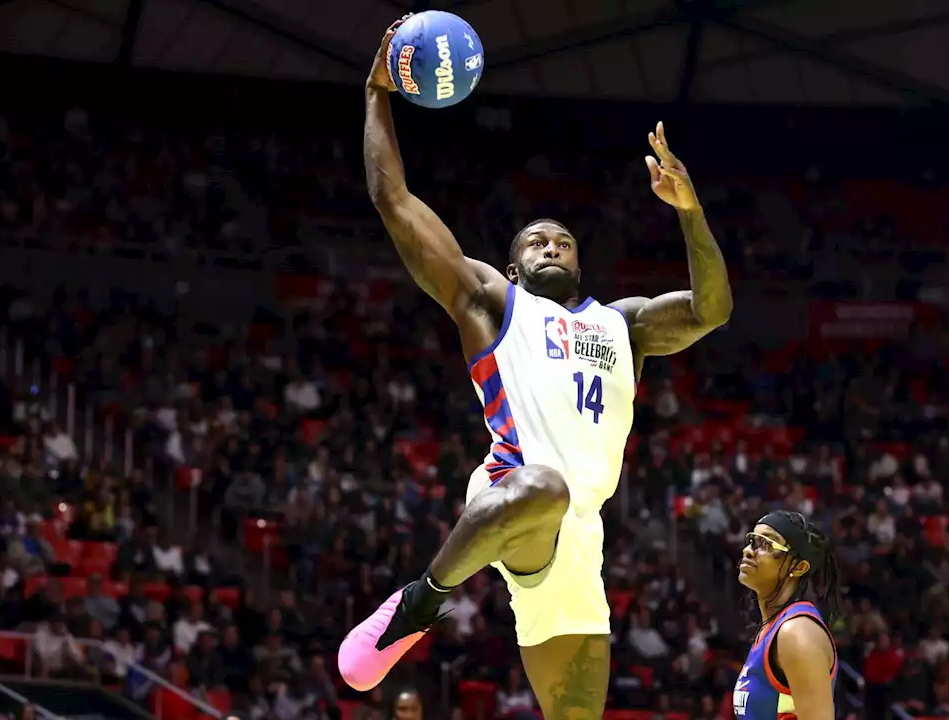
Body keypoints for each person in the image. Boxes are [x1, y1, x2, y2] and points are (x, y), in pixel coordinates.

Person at [339, 14, 734, 720]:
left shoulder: (626, 323)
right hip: (513, 487)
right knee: (544, 486)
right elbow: (393, 201)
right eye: (536, 242)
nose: (552, 245)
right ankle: (419, 605)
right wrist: (377, 94)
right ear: (516, 263)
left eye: (565, 241)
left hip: (580, 528)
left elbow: (712, 309)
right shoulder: (496, 301)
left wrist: (691, 213)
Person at [733, 511, 842, 720]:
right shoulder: (771, 629)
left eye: (765, 544)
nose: (748, 551)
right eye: (751, 540)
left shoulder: (796, 633)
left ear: (798, 567)